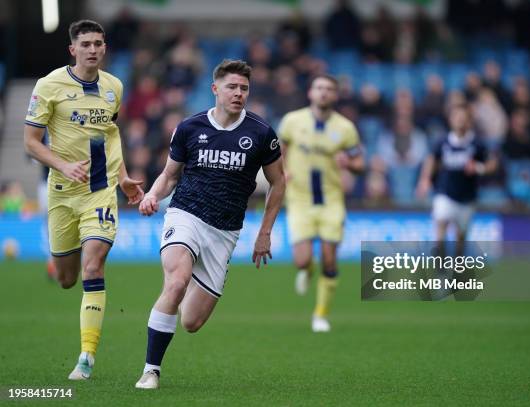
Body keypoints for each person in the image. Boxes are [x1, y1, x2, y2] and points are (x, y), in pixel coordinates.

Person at [134, 59, 285, 389]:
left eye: (244, 88)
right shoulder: (189, 127)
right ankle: (151, 370)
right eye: (232, 87)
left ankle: (190, 277)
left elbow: (279, 183)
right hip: (185, 214)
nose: (238, 93)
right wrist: (152, 196)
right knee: (175, 283)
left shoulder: (261, 133)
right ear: (215, 89)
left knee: (191, 322)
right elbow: (170, 175)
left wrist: (264, 233)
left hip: (224, 231)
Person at [23, 20, 144, 380]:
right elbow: (30, 141)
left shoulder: (114, 87)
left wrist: (122, 178)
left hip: (100, 191)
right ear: (72, 50)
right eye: (86, 44)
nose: (93, 49)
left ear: (105, 48)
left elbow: (111, 132)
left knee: (94, 266)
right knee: (65, 278)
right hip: (62, 195)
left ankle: (86, 356)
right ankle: (62, 264)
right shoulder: (48, 86)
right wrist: (62, 165)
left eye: (99, 43)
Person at [278, 74, 365, 333]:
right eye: (319, 88)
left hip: (331, 200)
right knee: (302, 260)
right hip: (299, 199)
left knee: (329, 260)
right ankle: (306, 270)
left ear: (335, 95)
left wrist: (349, 163)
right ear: (310, 93)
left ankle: (320, 314)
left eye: (329, 89)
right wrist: (282, 170)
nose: (323, 93)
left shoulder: (346, 128)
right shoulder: (292, 121)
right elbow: (278, 151)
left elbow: (360, 163)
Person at [416, 104, 496, 256]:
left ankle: (457, 270)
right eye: (456, 117)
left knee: (460, 239)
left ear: (468, 121)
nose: (459, 121)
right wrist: (425, 180)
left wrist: (479, 168)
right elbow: (431, 159)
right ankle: (440, 269)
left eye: (462, 117)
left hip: (467, 197)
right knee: (440, 230)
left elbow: (493, 163)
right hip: (445, 193)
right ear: (451, 120)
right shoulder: (443, 142)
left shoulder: (477, 144)